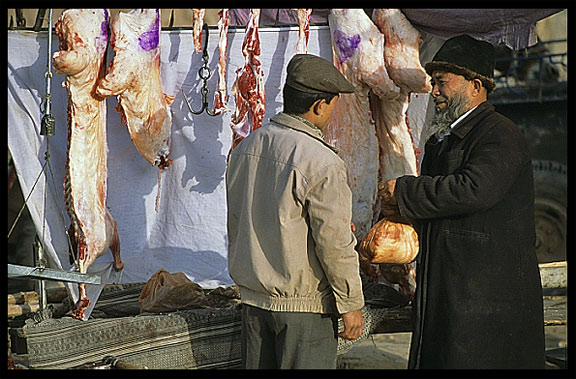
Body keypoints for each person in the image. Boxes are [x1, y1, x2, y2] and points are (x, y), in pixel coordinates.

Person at [379, 35, 545, 369]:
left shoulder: (499, 133)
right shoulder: (444, 140)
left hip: (486, 294)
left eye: (442, 83)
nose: (434, 92)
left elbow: (474, 189)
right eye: (434, 83)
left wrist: (406, 192)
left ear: (475, 85)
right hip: (454, 287)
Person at [226, 54, 364, 369]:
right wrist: (351, 303)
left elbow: (237, 222)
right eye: (332, 105)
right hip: (303, 306)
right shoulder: (320, 159)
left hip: (254, 301)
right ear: (319, 106)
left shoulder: (246, 148)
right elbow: (334, 241)